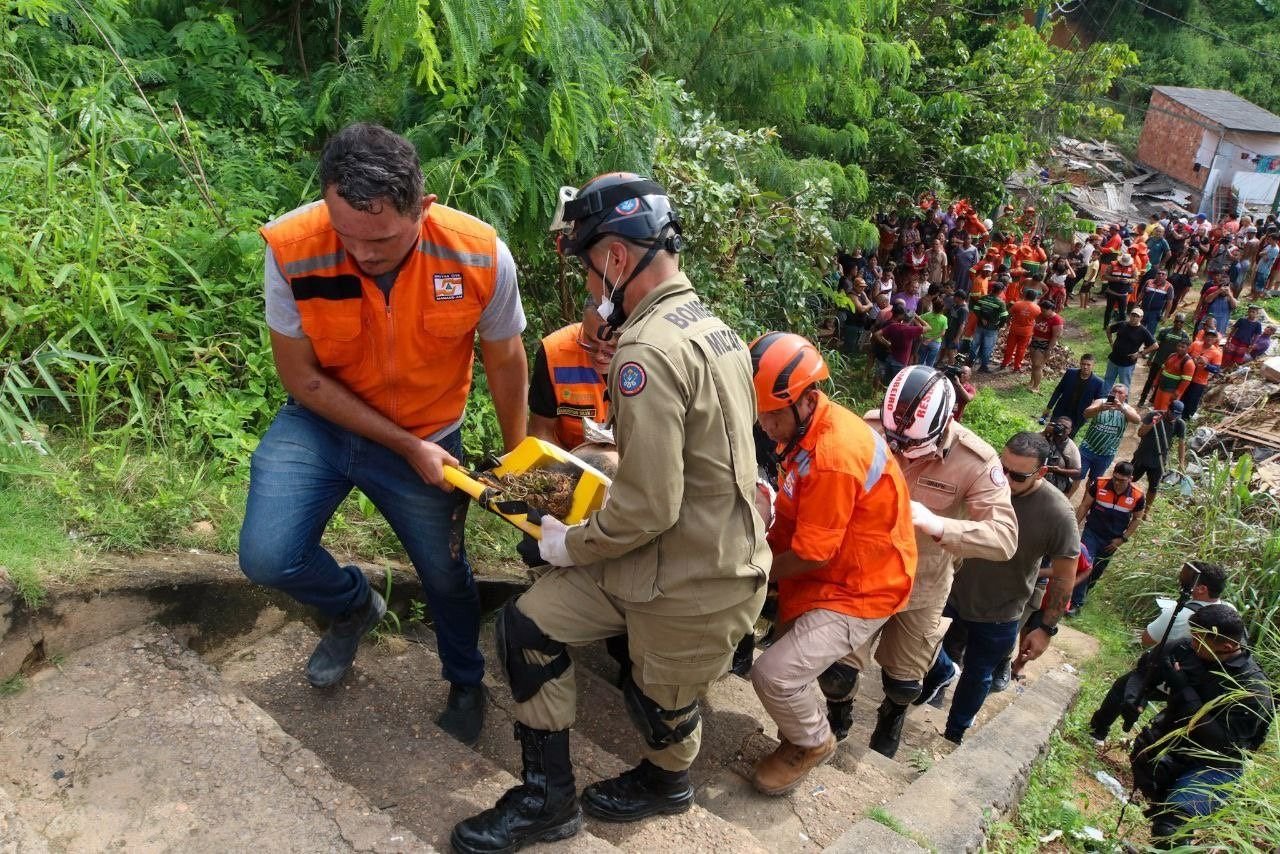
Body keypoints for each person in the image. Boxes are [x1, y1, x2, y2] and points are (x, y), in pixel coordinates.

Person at [451, 174, 770, 853]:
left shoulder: (647, 348)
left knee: (661, 706)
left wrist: (569, 545)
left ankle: (666, 784)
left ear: (618, 260)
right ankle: (547, 799)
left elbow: (650, 504)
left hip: (691, 579)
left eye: (592, 268)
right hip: (668, 554)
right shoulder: (714, 327)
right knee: (527, 625)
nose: (594, 287)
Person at [240, 124, 528, 745]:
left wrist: (517, 459)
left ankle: (465, 678)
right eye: (346, 235)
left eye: (382, 241)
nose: (363, 255)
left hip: (429, 430)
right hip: (319, 424)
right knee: (267, 556)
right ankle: (351, 605)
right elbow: (301, 377)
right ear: (325, 203)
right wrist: (402, 446)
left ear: (422, 208)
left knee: (447, 575)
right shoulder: (292, 246)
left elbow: (505, 360)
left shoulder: (479, 255)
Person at [747, 334, 918, 794]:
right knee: (786, 657)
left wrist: (754, 571)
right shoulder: (809, 430)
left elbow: (811, 552)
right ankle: (800, 725)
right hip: (833, 567)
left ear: (804, 400)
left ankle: (813, 741)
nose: (764, 426)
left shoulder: (833, 455)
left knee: (774, 673)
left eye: (771, 415)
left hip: (862, 586)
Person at [820, 366, 1017, 758]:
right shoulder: (873, 426)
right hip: (862, 575)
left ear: (947, 423)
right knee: (836, 672)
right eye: (893, 441)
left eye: (912, 446)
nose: (900, 451)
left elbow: (1005, 537)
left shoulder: (975, 460)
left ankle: (891, 717)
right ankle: (837, 720)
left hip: (922, 584)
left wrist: (938, 523)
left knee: (904, 680)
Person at [918, 432, 1078, 744]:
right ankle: (923, 697)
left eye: (1017, 476)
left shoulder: (1056, 513)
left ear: (1042, 473)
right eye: (1001, 469)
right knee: (928, 651)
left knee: (978, 675)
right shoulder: (980, 481)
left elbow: (1064, 575)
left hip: (1000, 611)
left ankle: (955, 734)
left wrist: (1045, 627)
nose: (1004, 479)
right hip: (950, 592)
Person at [1129, 605, 1273, 848]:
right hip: (1174, 743)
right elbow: (1141, 673)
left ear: (1226, 647)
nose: (1192, 644)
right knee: (1160, 800)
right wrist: (1133, 699)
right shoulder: (1188, 649)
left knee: (1171, 823)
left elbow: (1219, 741)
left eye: (1199, 641)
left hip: (1217, 764)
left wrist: (1185, 691)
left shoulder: (1253, 689)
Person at [1088, 562, 1232, 742]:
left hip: (1166, 677)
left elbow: (1146, 639)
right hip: (1201, 686)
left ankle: (1097, 732)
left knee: (1123, 686)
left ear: (1202, 588)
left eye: (1189, 578)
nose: (1183, 579)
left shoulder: (1179, 614)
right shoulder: (1229, 612)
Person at [527, 297, 611, 448]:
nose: (599, 355)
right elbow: (540, 433)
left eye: (611, 347)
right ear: (583, 324)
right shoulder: (553, 353)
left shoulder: (650, 355)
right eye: (590, 342)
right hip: (566, 460)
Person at [1070, 461, 1146, 613]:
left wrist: (1123, 539)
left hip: (1113, 539)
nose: (1117, 483)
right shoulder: (1099, 484)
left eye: (1122, 480)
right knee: (1086, 563)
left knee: (1097, 569)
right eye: (1115, 478)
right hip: (1092, 532)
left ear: (1130, 479)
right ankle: (1076, 603)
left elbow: (1137, 519)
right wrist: (1074, 528)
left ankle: (1082, 594)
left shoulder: (1137, 495)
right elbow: (1085, 505)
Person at [1076, 383, 1141, 486]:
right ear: (1110, 393)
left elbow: (1137, 420)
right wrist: (1100, 408)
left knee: (1093, 482)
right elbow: (1086, 413)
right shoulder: (1101, 402)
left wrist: (1122, 409)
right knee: (1077, 476)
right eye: (1114, 391)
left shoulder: (1127, 409)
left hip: (1106, 454)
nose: (1116, 394)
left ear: (1126, 396)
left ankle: (1085, 502)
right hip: (1087, 449)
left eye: (1120, 393)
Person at [1131, 402, 1187, 507]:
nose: (1174, 417)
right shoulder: (1153, 415)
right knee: (1129, 480)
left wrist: (1181, 463)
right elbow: (1140, 433)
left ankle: (1146, 511)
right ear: (1168, 409)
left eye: (1177, 415)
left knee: (1153, 487)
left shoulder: (1180, 423)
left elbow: (1181, 444)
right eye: (1173, 414)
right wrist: (1153, 423)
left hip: (1159, 461)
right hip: (1142, 456)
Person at [1042, 354, 1104, 438]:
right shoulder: (1070, 373)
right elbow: (1058, 390)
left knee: (1067, 439)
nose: (1085, 367)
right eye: (1083, 364)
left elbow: (1098, 402)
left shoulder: (1098, 382)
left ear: (1093, 366)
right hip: (1061, 410)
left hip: (1078, 416)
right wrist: (1049, 407)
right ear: (1080, 363)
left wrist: (1091, 415)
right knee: (1050, 433)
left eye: (1088, 365)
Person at [1137, 314, 1191, 407]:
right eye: (1177, 321)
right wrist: (1150, 358)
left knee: (1161, 382)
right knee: (1150, 380)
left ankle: (1153, 400)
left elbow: (1184, 351)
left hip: (1170, 365)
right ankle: (1142, 399)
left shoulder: (1184, 336)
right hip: (1158, 360)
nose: (1178, 323)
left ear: (1183, 324)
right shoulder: (1165, 331)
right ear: (1174, 321)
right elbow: (1156, 346)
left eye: (1181, 322)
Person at [1103, 307, 1157, 390]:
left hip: (1127, 363)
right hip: (1113, 359)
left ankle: (1123, 402)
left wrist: (1140, 354)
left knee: (1124, 387)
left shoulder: (1143, 331)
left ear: (1141, 318)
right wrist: (1111, 342)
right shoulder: (1122, 324)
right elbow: (1109, 329)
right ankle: (1103, 399)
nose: (1134, 318)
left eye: (1137, 316)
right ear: (1130, 315)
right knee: (1107, 381)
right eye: (1133, 315)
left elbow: (1155, 345)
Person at [873, 304, 928, 381]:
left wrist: (887, 344)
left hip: (890, 358)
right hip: (901, 362)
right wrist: (917, 317)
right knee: (896, 384)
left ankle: (879, 392)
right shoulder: (911, 330)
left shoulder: (893, 326)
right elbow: (928, 327)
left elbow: (876, 334)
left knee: (885, 382)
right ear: (911, 319)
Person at [1181, 331, 1223, 420]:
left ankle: (1185, 421)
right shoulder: (1195, 344)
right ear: (1204, 336)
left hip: (1199, 382)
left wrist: (1206, 365)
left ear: (1215, 339)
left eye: (1212, 337)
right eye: (1208, 336)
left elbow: (1216, 370)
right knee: (1180, 398)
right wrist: (1192, 360)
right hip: (1185, 377)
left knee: (1191, 403)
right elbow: (1184, 354)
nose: (1210, 338)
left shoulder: (1217, 353)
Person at [969, 280, 1009, 373]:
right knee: (988, 347)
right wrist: (999, 326)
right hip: (991, 329)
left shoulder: (983, 298)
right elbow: (1004, 317)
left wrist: (981, 318)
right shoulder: (1000, 303)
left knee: (975, 344)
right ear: (1000, 291)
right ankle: (983, 366)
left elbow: (975, 309)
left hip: (979, 326)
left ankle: (969, 363)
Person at [1000, 288, 1041, 372]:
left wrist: (1008, 323)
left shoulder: (1017, 304)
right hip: (1027, 331)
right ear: (1034, 298)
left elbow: (1009, 315)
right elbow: (1038, 320)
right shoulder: (1037, 308)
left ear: (1025, 295)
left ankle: (1004, 363)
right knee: (1021, 349)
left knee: (1010, 347)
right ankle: (1016, 366)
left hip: (1014, 329)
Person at [1149, 339, 1195, 413]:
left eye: (1183, 347)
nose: (1180, 348)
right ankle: (1154, 423)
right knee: (1156, 407)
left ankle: (1161, 424)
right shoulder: (1172, 355)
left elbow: (1186, 381)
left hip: (1171, 391)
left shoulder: (1189, 363)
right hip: (1161, 388)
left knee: (1165, 410)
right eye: (1179, 346)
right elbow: (1162, 369)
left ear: (1188, 348)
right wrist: (1156, 381)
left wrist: (1177, 393)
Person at [1027, 299, 1062, 392]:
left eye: (1044, 310)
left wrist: (1049, 349)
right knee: (1034, 364)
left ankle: (1036, 386)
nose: (1042, 312)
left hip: (1045, 344)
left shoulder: (1056, 320)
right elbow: (1033, 327)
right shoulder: (1040, 316)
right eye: (1041, 310)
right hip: (1034, 341)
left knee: (1038, 365)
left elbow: (1055, 336)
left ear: (1051, 309)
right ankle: (1032, 381)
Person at [1041, 416, 1081, 496]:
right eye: (1059, 425)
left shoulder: (1071, 447)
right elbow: (1029, 443)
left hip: (1054, 483)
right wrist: (1044, 433)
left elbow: (1078, 471)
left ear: (1070, 431)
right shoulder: (1046, 435)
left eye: (1065, 428)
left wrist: (1058, 470)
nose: (1061, 428)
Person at [1221, 304, 1264, 369]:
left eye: (1253, 312)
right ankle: (1223, 366)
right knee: (1228, 353)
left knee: (1238, 356)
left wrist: (1251, 345)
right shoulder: (1241, 320)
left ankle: (1230, 369)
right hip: (1235, 340)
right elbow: (1234, 329)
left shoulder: (1258, 324)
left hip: (1245, 343)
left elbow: (1256, 335)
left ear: (1257, 314)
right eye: (1249, 311)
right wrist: (1228, 339)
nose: (1251, 313)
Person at [1102, 252, 1137, 329]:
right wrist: (1115, 279)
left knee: (1122, 313)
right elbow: (1105, 276)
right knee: (1109, 310)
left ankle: (1122, 328)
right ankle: (1105, 326)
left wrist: (1128, 280)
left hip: (1123, 294)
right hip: (1112, 292)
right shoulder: (1113, 265)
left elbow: (1135, 279)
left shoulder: (1133, 267)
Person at [1139, 270, 1175, 335]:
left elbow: (1169, 303)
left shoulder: (1169, 287)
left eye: (1163, 274)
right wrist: (1135, 305)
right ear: (1156, 275)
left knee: (1150, 333)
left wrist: (1165, 316)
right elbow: (1141, 294)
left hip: (1155, 313)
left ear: (1166, 276)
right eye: (1159, 273)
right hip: (1143, 310)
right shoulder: (1149, 282)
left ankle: (1148, 344)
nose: (1160, 275)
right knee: (1138, 329)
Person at [917, 295, 948, 367]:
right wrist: (931, 339)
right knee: (930, 364)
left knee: (921, 361)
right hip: (936, 343)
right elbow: (943, 333)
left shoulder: (928, 315)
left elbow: (917, 318)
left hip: (924, 340)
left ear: (933, 307)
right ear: (942, 308)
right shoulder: (944, 318)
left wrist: (921, 329)